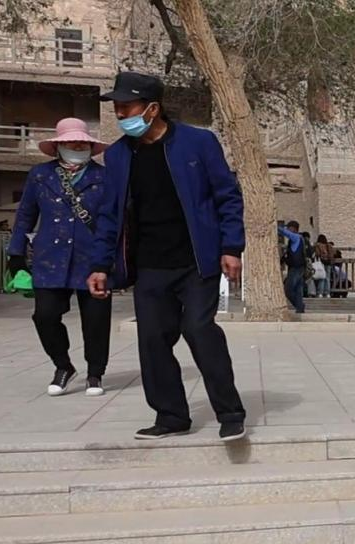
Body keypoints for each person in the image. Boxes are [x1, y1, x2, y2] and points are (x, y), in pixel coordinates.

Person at [88, 71, 247, 443]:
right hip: (150, 265)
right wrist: (99, 265)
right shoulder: (117, 155)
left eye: (126, 107)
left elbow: (227, 195)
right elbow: (109, 214)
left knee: (199, 329)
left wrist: (231, 247)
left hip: (197, 259)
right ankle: (171, 415)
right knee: (153, 341)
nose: (120, 114)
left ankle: (230, 413)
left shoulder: (198, 143)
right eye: (116, 107)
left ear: (153, 108)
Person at [7, 117, 115, 397]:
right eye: (70, 142)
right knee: (44, 315)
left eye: (82, 143)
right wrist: (16, 253)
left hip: (93, 259)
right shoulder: (40, 175)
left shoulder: (104, 177)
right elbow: (25, 215)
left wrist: (108, 259)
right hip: (50, 258)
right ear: (58, 146)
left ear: (90, 146)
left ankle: (95, 373)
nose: (77, 146)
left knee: (96, 320)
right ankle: (63, 365)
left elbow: (111, 220)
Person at [278, 221, 306, 313]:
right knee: (298, 290)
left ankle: (299, 306)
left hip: (296, 268)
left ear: (294, 229)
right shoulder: (297, 239)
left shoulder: (296, 237)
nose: (287, 229)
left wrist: (276, 227)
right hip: (298, 267)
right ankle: (300, 309)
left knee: (288, 290)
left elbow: (285, 233)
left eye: (289, 228)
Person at [314, 234, 334, 298]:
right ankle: (327, 293)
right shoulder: (329, 245)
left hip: (321, 262)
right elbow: (332, 254)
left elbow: (317, 254)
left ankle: (320, 293)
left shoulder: (318, 245)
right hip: (328, 263)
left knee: (322, 277)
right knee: (327, 278)